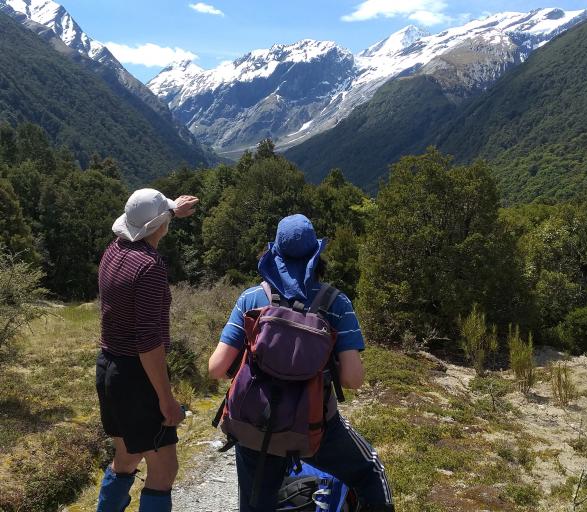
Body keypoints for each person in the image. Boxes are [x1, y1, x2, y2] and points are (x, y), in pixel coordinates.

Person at [208, 214, 394, 512]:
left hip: (255, 426)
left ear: (273, 255)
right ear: (316, 256)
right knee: (370, 470)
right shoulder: (336, 302)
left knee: (257, 504)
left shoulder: (252, 298)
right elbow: (353, 379)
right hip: (315, 427)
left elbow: (216, 368)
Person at [95, 188, 198, 512]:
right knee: (165, 469)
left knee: (125, 458)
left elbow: (148, 219)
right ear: (159, 226)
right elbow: (148, 342)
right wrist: (166, 401)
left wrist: (171, 210)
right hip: (136, 379)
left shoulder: (114, 251)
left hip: (108, 367)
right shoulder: (150, 268)